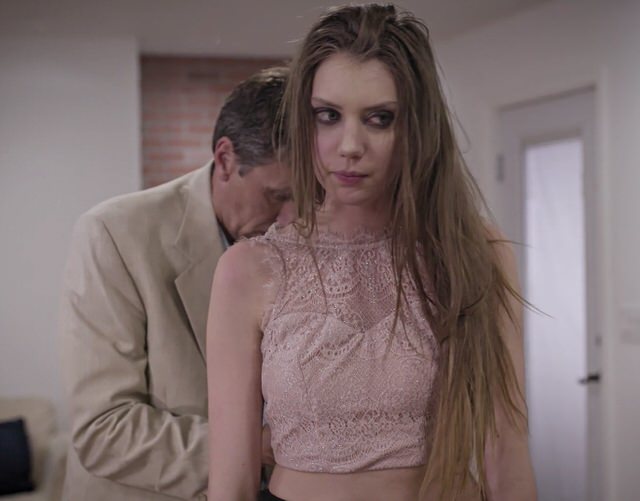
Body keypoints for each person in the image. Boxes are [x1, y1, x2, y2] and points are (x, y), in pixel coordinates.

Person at [206, 4, 537, 501]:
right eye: (328, 116)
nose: (350, 145)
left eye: (379, 119)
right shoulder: (249, 269)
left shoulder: (476, 254)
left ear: (415, 128)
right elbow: (231, 480)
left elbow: (506, 451)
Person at [60, 67, 292, 501]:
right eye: (277, 196)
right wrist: (254, 448)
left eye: (309, 198)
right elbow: (103, 430)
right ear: (226, 159)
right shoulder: (114, 234)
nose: (291, 220)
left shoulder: (304, 244)